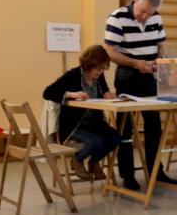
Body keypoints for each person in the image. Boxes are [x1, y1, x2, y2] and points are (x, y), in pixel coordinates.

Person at [104, 0, 177, 189]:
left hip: (150, 76)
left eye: (150, 13)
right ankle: (127, 175)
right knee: (125, 127)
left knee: (154, 125)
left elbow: (161, 43)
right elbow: (110, 52)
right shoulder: (117, 17)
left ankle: (156, 170)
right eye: (142, 11)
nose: (145, 17)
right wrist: (136, 63)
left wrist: (159, 59)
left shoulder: (156, 18)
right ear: (136, 0)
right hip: (127, 74)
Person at [42, 45, 119, 179]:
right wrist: (70, 94)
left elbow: (104, 90)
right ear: (88, 64)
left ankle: (94, 162)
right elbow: (48, 92)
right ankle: (77, 159)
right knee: (96, 142)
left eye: (102, 68)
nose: (100, 72)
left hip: (94, 122)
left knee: (115, 138)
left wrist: (107, 93)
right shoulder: (73, 75)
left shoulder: (99, 77)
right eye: (97, 67)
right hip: (74, 124)